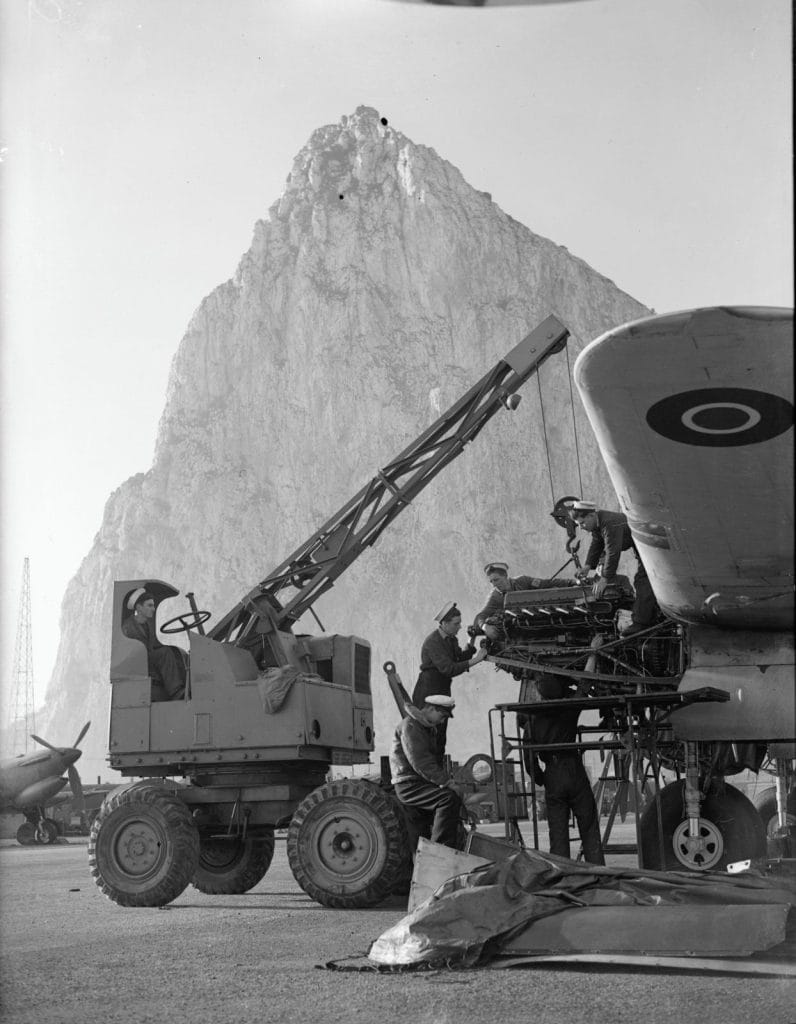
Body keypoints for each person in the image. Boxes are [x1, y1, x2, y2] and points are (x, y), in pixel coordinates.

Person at [524, 675, 605, 865]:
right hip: (574, 768)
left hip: (553, 772)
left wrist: (541, 778)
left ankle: (562, 874)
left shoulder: (531, 720)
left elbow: (528, 758)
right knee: (589, 826)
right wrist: (591, 661)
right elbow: (582, 691)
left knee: (558, 832)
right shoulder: (567, 709)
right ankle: (598, 872)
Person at [568, 500, 660, 636]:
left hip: (651, 547)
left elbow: (612, 552)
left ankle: (641, 624)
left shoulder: (609, 523)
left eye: (582, 523)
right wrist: (587, 566)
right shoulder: (598, 522)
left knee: (642, 581)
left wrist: (604, 579)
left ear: (591, 516)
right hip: (642, 547)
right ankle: (651, 616)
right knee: (643, 581)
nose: (581, 528)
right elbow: (597, 543)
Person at [411, 602, 488, 757]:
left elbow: (459, 658)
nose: (460, 627)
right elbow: (449, 669)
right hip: (428, 691)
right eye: (456, 624)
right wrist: (478, 659)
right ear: (444, 623)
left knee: (440, 736)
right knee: (428, 736)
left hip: (442, 689)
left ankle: (438, 768)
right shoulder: (433, 642)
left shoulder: (450, 638)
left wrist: (471, 639)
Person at [390, 694, 464, 849]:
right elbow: (421, 762)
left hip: (417, 783)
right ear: (430, 709)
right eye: (442, 716)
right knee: (448, 799)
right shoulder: (411, 726)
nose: (442, 721)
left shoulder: (424, 727)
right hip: (408, 785)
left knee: (420, 837)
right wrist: (447, 782)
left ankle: (430, 854)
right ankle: (439, 851)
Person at [472, 561, 579, 630]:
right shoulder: (495, 597)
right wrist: (485, 627)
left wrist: (573, 582)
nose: (494, 584)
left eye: (496, 580)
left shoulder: (523, 581)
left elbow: (547, 583)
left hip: (542, 620)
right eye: (491, 582)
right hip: (520, 629)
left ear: (505, 576)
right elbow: (481, 616)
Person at [122, 589, 187, 701]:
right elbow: (130, 653)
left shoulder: (147, 625)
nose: (153, 609)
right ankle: (175, 691)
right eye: (150, 605)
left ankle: (182, 687)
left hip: (146, 659)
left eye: (153, 605)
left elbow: (153, 645)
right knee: (165, 653)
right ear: (139, 607)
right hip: (138, 664)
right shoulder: (128, 627)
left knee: (173, 651)